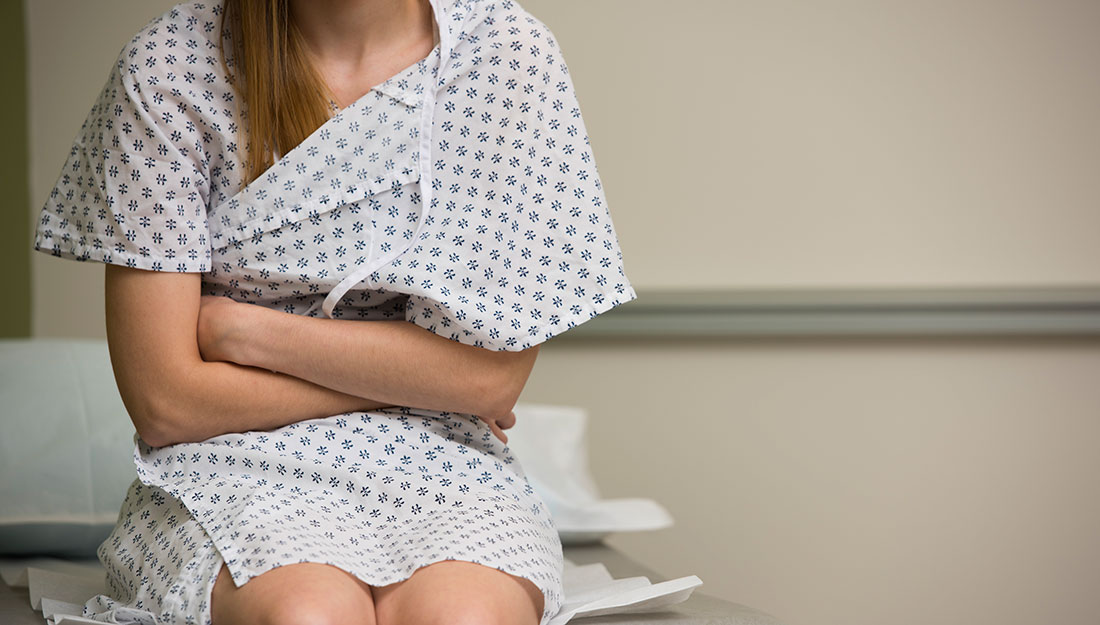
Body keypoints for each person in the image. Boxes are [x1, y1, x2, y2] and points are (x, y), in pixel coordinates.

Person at [33, 0, 637, 623]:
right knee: (308, 616)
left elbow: (489, 378)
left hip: (444, 458)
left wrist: (243, 331)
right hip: (224, 465)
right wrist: (419, 381)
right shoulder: (168, 68)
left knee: (462, 617)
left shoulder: (505, 54)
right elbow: (167, 403)